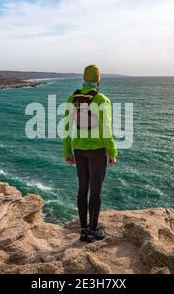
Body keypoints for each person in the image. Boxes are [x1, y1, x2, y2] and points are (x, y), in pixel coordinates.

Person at [63, 64, 118, 243]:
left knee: (82, 189)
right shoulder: (102, 100)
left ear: (83, 79)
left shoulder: (72, 98)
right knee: (95, 191)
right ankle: (93, 230)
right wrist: (112, 152)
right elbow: (106, 130)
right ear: (98, 80)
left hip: (78, 151)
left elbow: (65, 129)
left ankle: (83, 229)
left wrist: (67, 152)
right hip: (97, 152)